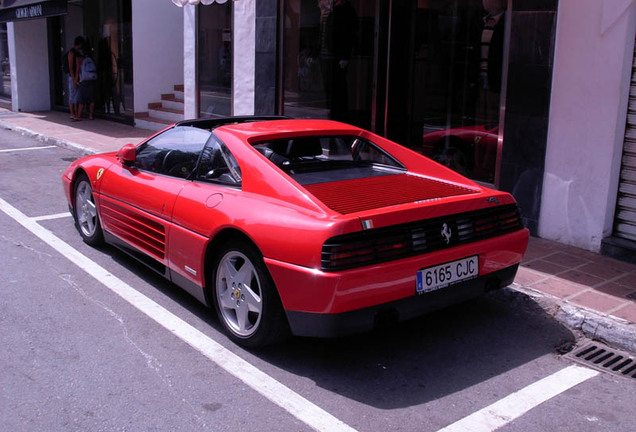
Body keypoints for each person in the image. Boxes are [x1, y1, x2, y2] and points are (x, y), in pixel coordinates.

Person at [75, 42, 97, 121]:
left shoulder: (80, 60)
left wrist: (76, 80)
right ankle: (91, 115)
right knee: (91, 98)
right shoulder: (89, 59)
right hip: (92, 80)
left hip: (84, 81)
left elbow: (78, 71)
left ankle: (78, 116)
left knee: (81, 99)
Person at [66, 36, 85, 121]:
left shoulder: (75, 52)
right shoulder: (73, 53)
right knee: (73, 95)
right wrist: (74, 79)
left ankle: (74, 113)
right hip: (73, 77)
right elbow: (73, 68)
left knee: (75, 95)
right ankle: (73, 113)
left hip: (75, 76)